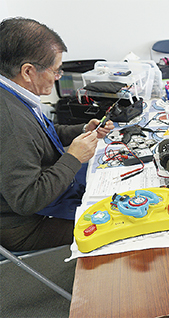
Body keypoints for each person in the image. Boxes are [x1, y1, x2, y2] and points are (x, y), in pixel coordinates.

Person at [0, 17, 114, 252]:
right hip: (27, 225)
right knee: (115, 223)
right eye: (55, 70)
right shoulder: (10, 121)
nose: (57, 76)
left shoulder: (14, 93)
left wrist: (83, 130)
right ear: (28, 71)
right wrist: (73, 158)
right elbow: (27, 200)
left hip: (40, 201)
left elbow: (40, 135)